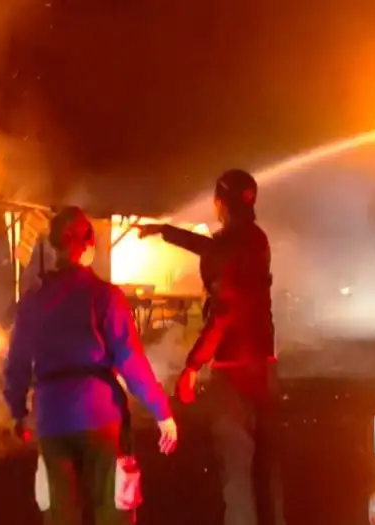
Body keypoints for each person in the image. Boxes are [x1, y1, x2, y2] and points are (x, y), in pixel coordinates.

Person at [4, 205, 178, 525]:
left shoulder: (33, 301)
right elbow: (130, 360)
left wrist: (18, 411)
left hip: (51, 420)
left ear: (54, 246)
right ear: (88, 246)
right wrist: (162, 413)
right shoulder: (105, 296)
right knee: (114, 511)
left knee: (60, 514)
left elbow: (16, 362)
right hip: (102, 418)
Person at [137, 169, 284, 525]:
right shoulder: (255, 239)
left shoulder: (230, 245)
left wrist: (191, 366)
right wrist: (165, 232)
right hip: (264, 366)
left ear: (220, 203)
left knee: (236, 472)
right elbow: (214, 248)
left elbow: (223, 312)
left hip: (233, 372)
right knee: (267, 469)